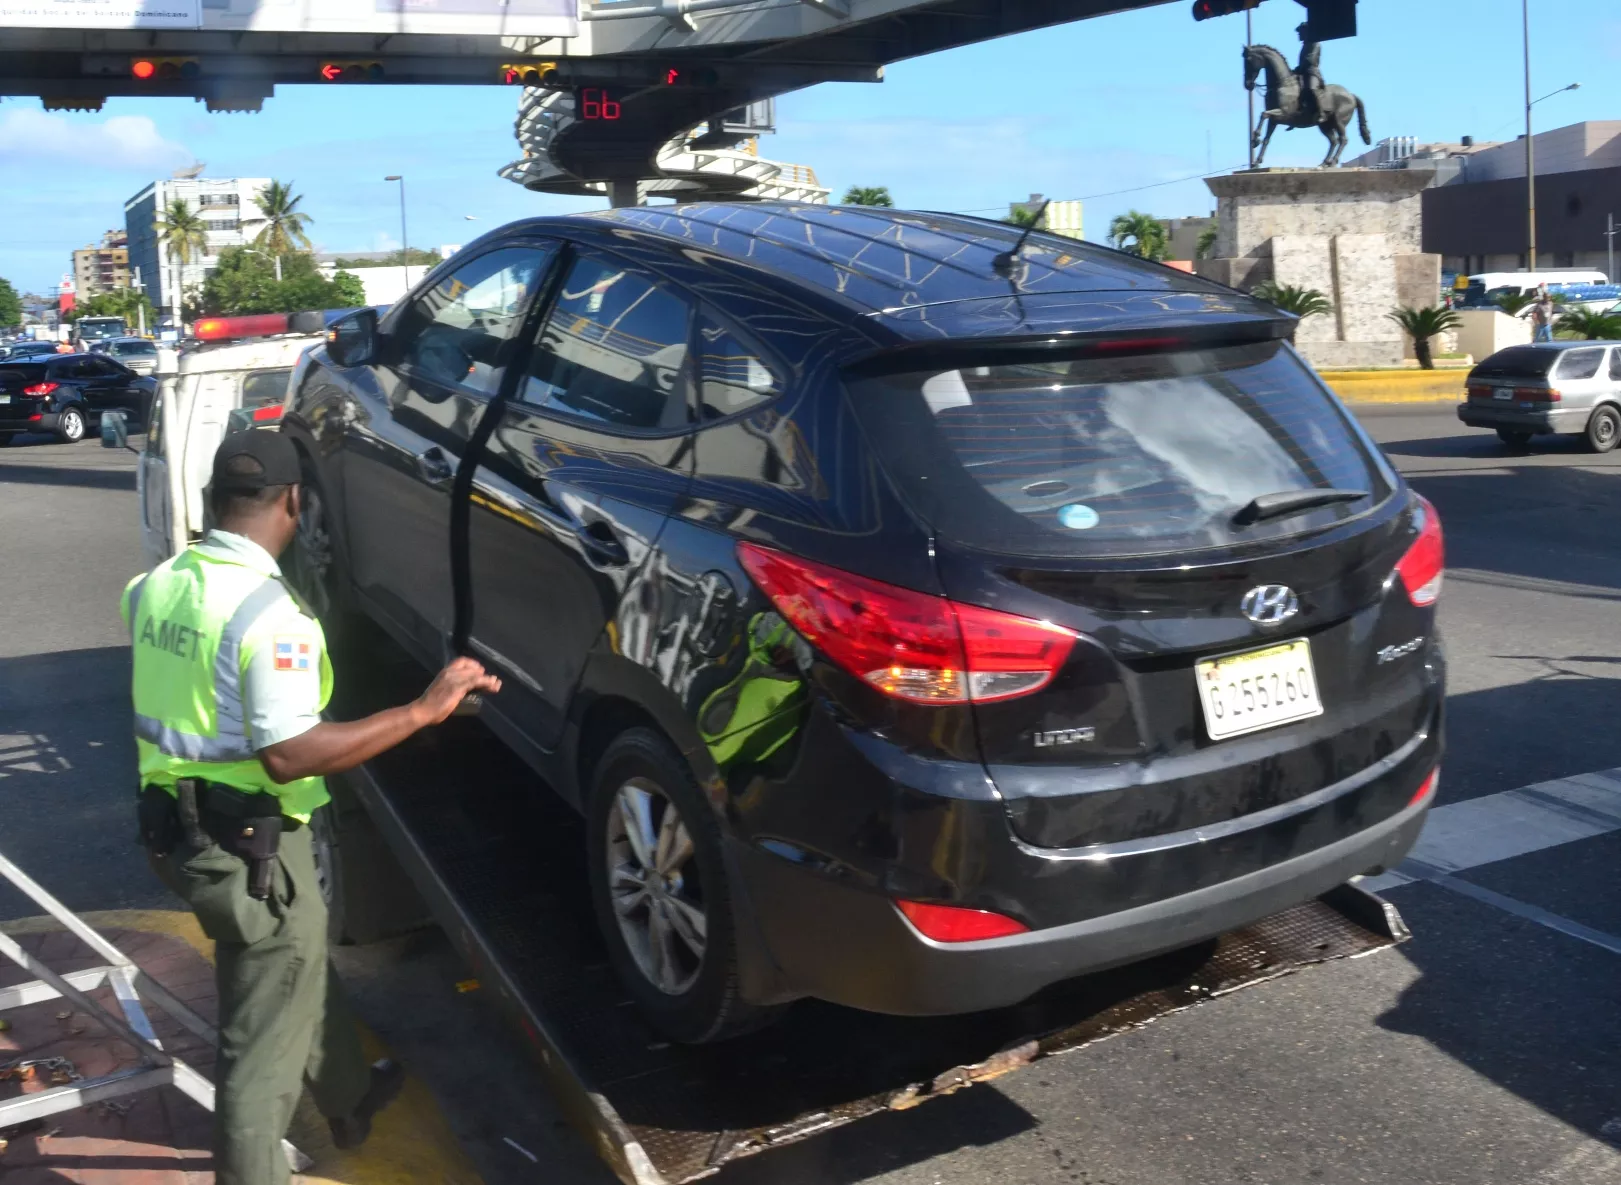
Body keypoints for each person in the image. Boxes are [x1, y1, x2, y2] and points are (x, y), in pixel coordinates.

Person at [121, 430, 500, 1185]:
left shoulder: (155, 584)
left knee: (296, 956)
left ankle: (350, 1096)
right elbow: (289, 753)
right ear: (295, 501)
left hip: (175, 830)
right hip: (248, 848)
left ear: (214, 501)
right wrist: (423, 710)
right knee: (257, 1042)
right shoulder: (272, 617)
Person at [1294, 27, 1325, 123]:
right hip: (1303, 72)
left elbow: (1310, 60)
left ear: (1306, 32)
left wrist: (1299, 68)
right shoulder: (1305, 45)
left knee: (1311, 89)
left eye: (1300, 32)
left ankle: (1321, 113)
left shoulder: (1315, 44)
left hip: (1312, 72)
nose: (1299, 35)